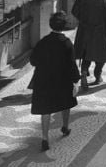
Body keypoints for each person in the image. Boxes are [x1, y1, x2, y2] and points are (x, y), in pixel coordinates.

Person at [30, 11, 81, 152]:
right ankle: (65, 126)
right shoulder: (66, 43)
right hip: (62, 79)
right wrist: (76, 80)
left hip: (43, 79)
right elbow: (71, 64)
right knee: (66, 102)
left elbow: (33, 60)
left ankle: (45, 138)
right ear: (64, 27)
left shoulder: (43, 42)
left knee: (45, 109)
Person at [72, 0, 106, 88]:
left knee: (86, 54)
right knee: (100, 55)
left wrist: (83, 20)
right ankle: (97, 74)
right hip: (101, 31)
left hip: (85, 30)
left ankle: (84, 73)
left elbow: (74, 11)